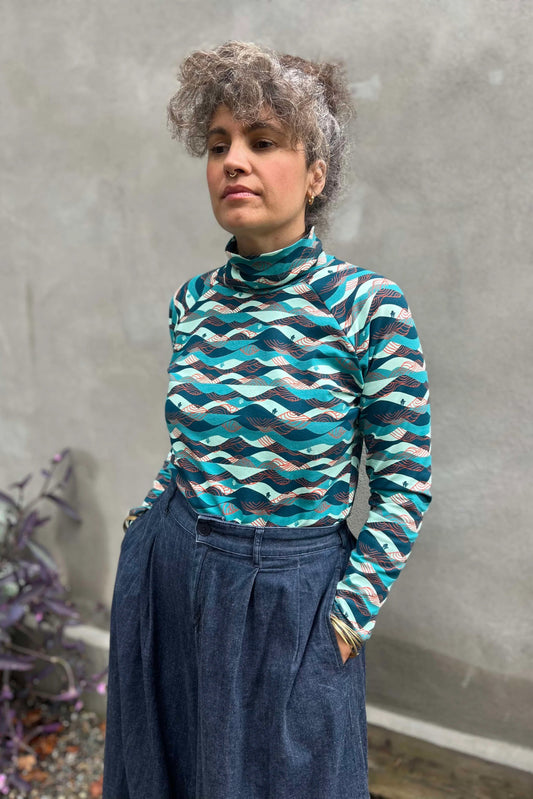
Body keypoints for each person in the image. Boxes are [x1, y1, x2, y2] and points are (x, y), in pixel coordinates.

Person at [102, 41, 432, 799]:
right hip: (174, 570)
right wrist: (146, 521)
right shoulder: (194, 302)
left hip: (294, 597)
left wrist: (345, 618)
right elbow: (190, 444)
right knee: (173, 771)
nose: (232, 162)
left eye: (262, 141)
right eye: (217, 145)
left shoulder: (366, 306)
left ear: (315, 174)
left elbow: (405, 484)